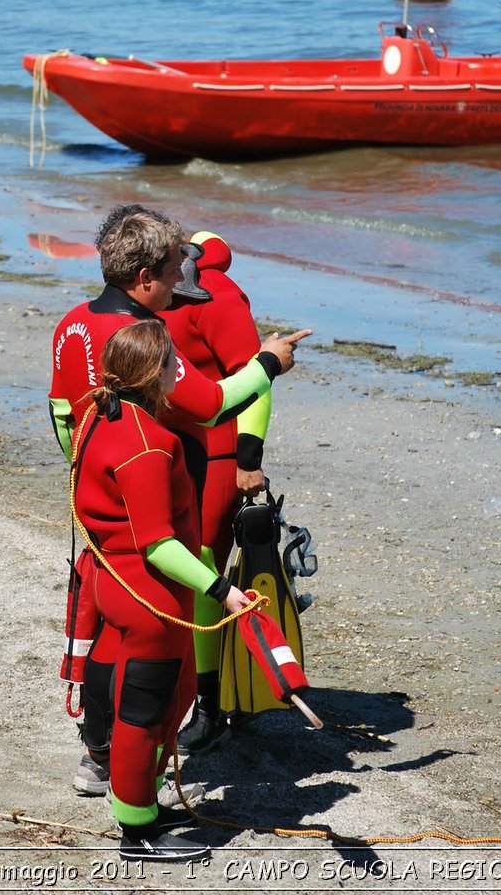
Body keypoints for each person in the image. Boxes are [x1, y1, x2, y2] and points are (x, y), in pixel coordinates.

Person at [50, 208, 309, 795]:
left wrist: (89, 471)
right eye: (172, 273)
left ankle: (96, 755)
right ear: (144, 277)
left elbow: (61, 413)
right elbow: (212, 402)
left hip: (97, 508)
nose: (181, 284)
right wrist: (270, 363)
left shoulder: (69, 324)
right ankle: (140, 794)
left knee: (106, 631)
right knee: (159, 650)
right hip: (154, 499)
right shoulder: (148, 340)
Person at [72, 319, 251, 863]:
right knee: (144, 715)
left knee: (163, 705)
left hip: (113, 583)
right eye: (174, 361)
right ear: (153, 376)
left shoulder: (97, 415)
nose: (183, 369)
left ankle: (143, 806)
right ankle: (138, 832)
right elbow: (157, 544)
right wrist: (220, 588)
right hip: (149, 597)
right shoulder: (149, 444)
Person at [161, 230, 271, 753]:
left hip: (220, 451)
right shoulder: (158, 293)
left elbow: (256, 378)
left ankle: (210, 707)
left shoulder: (219, 300)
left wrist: (249, 459)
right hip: (169, 447)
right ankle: (206, 684)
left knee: (201, 564)